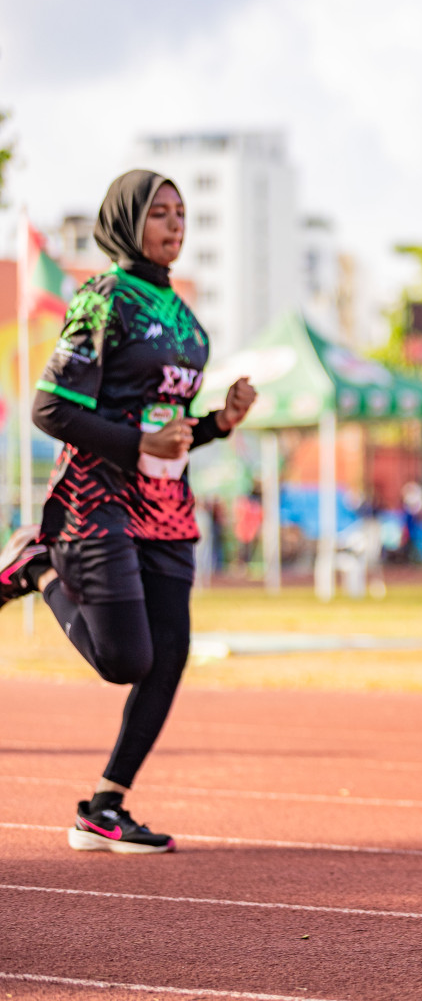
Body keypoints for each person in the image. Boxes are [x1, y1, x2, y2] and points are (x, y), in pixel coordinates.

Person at [0, 170, 257, 854]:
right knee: (125, 660)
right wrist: (139, 442)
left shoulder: (189, 322)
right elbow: (49, 409)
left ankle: (104, 807)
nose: (174, 225)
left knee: (170, 655)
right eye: (158, 213)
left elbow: (165, 427)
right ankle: (36, 568)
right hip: (97, 498)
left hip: (166, 507)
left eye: (181, 213)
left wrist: (217, 424)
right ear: (125, 222)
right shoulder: (103, 298)